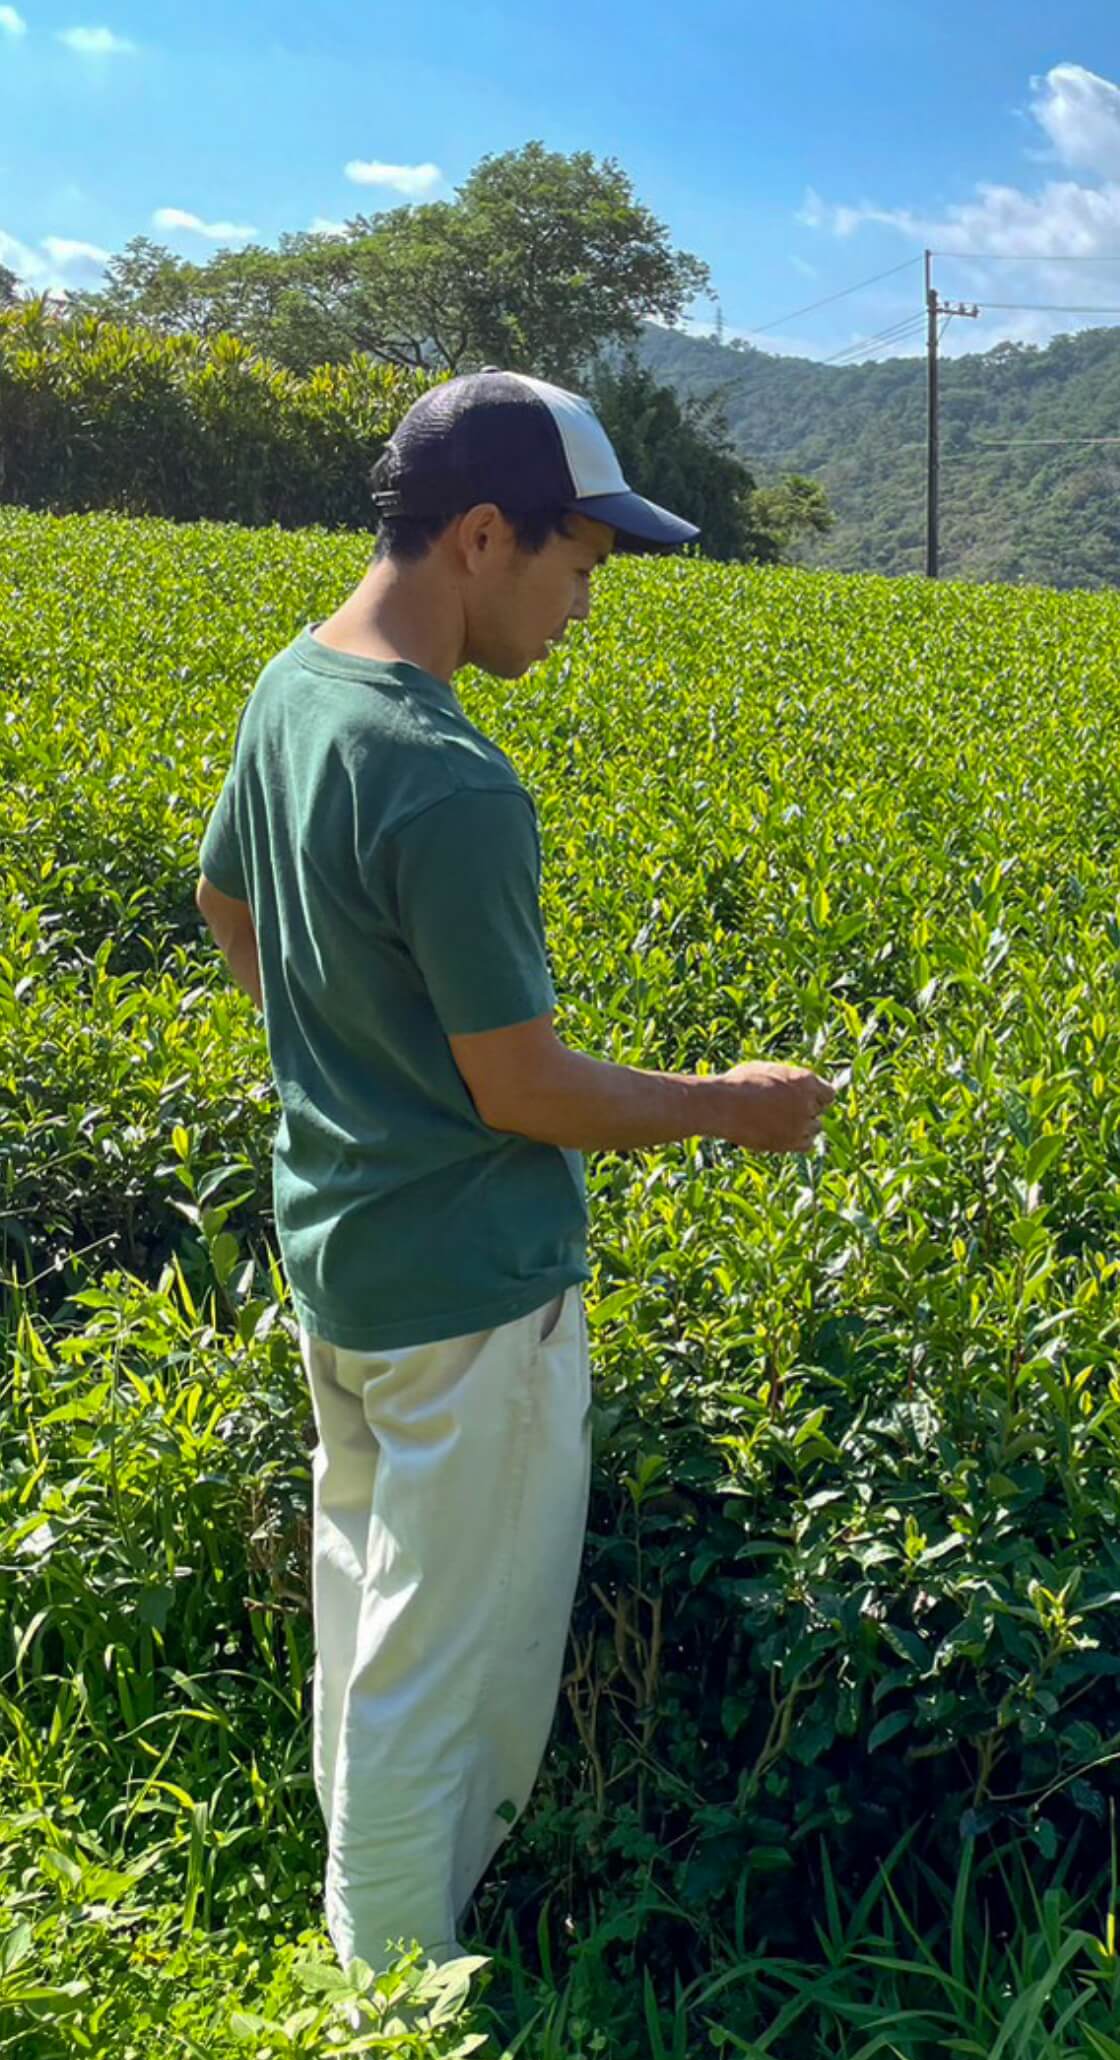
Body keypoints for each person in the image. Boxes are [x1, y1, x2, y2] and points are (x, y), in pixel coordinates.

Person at [195, 369, 834, 1979]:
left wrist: (345, 1067)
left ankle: (359, 1930)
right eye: (579, 568)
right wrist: (729, 1105)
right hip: (472, 1298)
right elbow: (525, 1086)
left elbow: (225, 902)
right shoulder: (452, 776)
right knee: (448, 1667)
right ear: (485, 535)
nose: (581, 608)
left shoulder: (294, 691)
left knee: (371, 1621)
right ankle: (391, 2013)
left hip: (339, 1261)